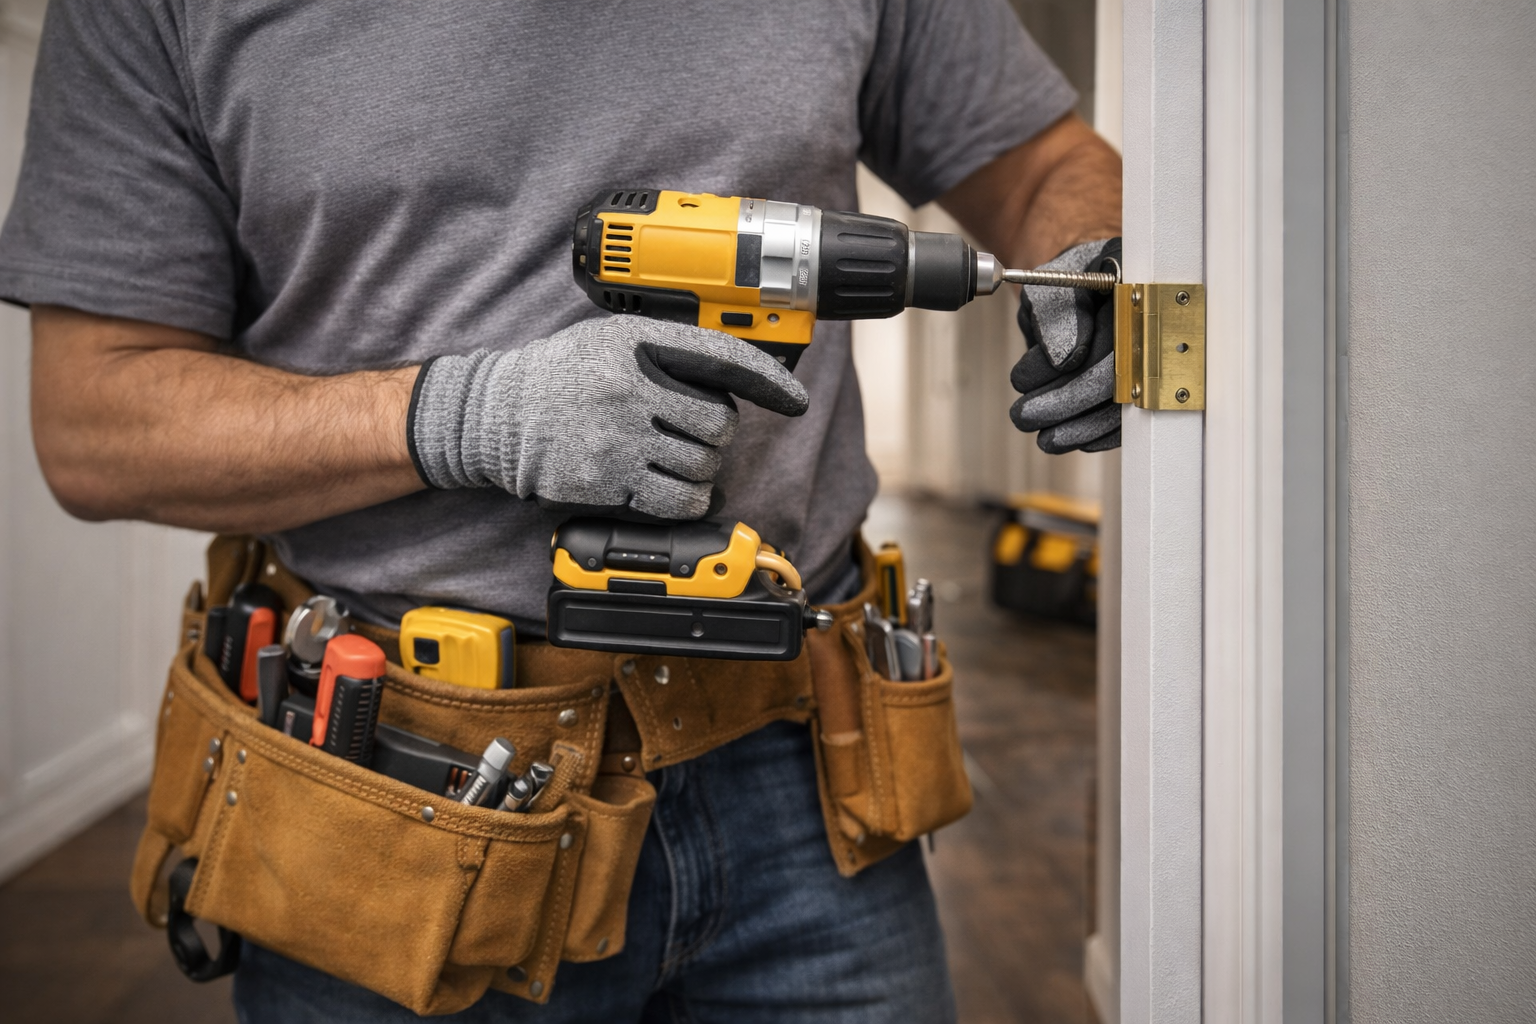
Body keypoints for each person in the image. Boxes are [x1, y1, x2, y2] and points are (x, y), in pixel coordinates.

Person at [0, 1, 1120, 1020]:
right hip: (401, 797)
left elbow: (1041, 170)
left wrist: (1090, 263)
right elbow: (93, 424)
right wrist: (465, 416)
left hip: (810, 771)